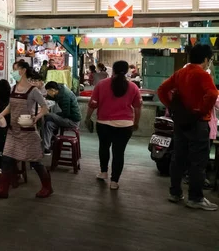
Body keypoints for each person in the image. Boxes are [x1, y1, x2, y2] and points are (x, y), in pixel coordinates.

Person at [157, 44, 219, 211]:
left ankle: (175, 193)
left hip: (181, 122)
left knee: (178, 158)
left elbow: (162, 89)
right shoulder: (202, 74)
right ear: (206, 59)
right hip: (198, 123)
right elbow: (213, 94)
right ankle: (195, 198)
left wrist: (172, 107)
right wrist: (202, 110)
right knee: (198, 161)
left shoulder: (180, 73)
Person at [0, 62, 52, 199]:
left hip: (28, 131)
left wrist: (36, 117)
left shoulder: (33, 90)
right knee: (6, 159)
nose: (13, 72)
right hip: (13, 130)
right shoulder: (13, 88)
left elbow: (45, 108)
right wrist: (1, 115)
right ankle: (3, 189)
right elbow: (10, 107)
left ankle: (47, 187)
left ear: (23, 71)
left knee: (35, 162)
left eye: (15, 70)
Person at [85, 61, 142, 190]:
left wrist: (87, 118)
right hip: (125, 125)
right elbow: (138, 108)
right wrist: (136, 123)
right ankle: (114, 181)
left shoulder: (102, 84)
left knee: (104, 148)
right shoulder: (133, 87)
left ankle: (104, 172)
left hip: (104, 124)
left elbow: (92, 104)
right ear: (127, 71)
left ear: (113, 70)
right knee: (119, 153)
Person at [41, 81, 82, 155]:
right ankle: (47, 147)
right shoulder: (60, 90)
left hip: (72, 121)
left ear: (53, 90)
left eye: (48, 91)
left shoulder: (64, 96)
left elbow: (66, 114)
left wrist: (54, 114)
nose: (47, 93)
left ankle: (51, 138)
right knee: (49, 124)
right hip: (68, 118)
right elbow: (50, 97)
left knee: (47, 115)